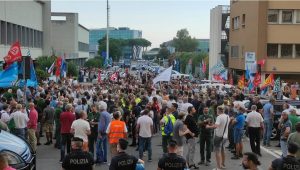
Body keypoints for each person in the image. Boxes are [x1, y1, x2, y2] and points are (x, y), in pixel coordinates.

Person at [206, 106, 229, 170]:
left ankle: (218, 167)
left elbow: (216, 126)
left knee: (217, 152)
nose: (216, 111)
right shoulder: (227, 116)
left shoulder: (219, 117)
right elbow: (221, 125)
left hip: (219, 136)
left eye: (217, 110)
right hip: (225, 135)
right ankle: (223, 165)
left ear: (219, 110)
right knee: (223, 150)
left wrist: (208, 126)